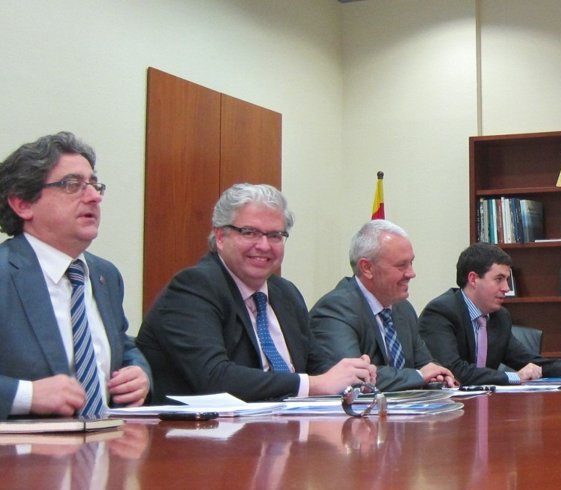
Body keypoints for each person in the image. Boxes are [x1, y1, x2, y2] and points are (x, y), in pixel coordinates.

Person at [137, 184, 375, 402]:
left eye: (275, 236)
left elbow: (318, 367)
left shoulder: (286, 293)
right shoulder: (194, 288)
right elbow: (214, 378)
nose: (263, 245)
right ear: (220, 237)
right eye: (249, 232)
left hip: (285, 429)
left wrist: (352, 376)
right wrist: (312, 385)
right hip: (202, 432)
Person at [0, 132, 150, 420]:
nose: (94, 197)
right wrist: (26, 395)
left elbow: (121, 345)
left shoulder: (105, 275)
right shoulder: (5, 274)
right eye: (72, 185)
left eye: (94, 184)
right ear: (23, 204)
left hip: (107, 441)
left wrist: (138, 373)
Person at [419, 242, 561, 385]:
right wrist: (513, 377)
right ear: (473, 279)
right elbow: (454, 370)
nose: (506, 288)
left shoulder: (499, 317)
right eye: (499, 279)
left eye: (507, 280)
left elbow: (533, 362)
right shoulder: (441, 312)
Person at [310, 220, 458, 391]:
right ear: (367, 268)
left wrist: (438, 376)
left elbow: (425, 365)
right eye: (401, 265)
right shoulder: (335, 309)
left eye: (411, 263)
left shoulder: (403, 308)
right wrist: (419, 376)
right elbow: (353, 379)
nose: (411, 273)